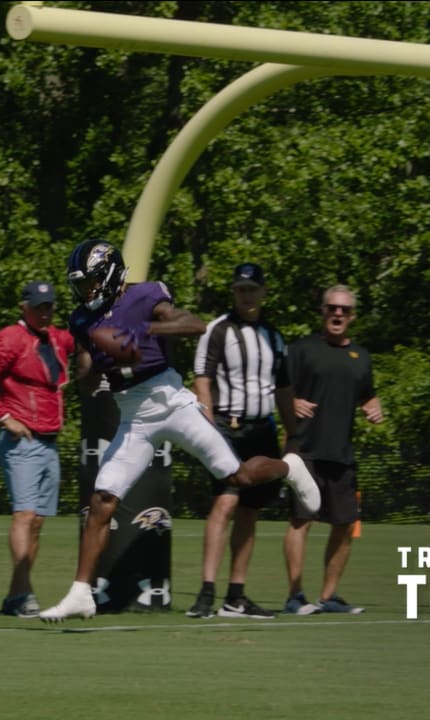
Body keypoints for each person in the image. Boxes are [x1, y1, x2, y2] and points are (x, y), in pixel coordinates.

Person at [37, 240, 319, 622]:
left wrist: (143, 329)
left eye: (90, 282)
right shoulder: (82, 319)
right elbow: (87, 379)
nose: (85, 292)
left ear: (110, 275)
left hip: (172, 401)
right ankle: (80, 593)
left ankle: (290, 468)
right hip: (133, 414)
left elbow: (193, 324)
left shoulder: (145, 294)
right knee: (103, 499)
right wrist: (92, 366)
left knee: (237, 475)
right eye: (81, 285)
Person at [186, 262, 295, 620]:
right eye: (240, 289)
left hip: (261, 430)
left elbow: (282, 389)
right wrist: (208, 426)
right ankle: (206, 591)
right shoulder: (217, 330)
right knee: (225, 504)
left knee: (250, 510)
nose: (246, 295)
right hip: (226, 428)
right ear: (233, 292)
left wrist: (292, 431)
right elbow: (202, 378)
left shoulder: (274, 337)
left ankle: (236, 594)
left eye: (252, 289)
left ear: (263, 292)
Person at [0, 281, 76, 617]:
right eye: (39, 306)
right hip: (23, 442)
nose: (45, 312)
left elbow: (87, 336)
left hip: (50, 441)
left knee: (37, 521)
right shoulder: (11, 338)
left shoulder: (57, 338)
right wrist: (4, 418)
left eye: (50, 307)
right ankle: (24, 592)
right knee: (24, 515)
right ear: (24, 306)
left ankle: (16, 595)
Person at [282, 285, 384, 615]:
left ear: (352, 316)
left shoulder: (361, 357)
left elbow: (367, 394)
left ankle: (328, 597)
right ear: (323, 311)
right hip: (305, 450)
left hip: (341, 453)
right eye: (332, 308)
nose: (337, 314)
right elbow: (278, 389)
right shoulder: (302, 350)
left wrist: (373, 406)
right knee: (301, 521)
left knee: (345, 524)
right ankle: (295, 596)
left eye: (344, 310)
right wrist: (291, 402)